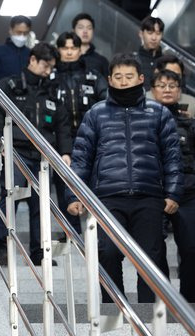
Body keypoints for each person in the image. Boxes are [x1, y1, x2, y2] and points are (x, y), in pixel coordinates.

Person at [67, 53, 183, 303]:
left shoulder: (159, 113)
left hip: (148, 195)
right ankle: (113, 310)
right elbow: (81, 158)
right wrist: (74, 195)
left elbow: (173, 156)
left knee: (151, 257)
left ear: (141, 78)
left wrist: (173, 192)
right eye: (117, 77)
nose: (123, 82)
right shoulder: (96, 114)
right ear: (109, 79)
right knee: (106, 253)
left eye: (129, 77)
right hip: (107, 197)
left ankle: (150, 315)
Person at [0, 42, 73, 266]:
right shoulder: (10, 85)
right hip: (14, 151)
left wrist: (65, 152)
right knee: (10, 196)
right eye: (45, 65)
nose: (48, 70)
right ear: (32, 60)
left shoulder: (51, 91)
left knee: (40, 203)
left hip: (43, 154)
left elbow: (62, 124)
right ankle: (3, 245)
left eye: (51, 67)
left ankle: (39, 250)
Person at [52, 31, 107, 234]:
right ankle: (71, 232)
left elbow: (106, 98)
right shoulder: (51, 76)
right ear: (58, 50)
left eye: (73, 48)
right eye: (65, 48)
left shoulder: (92, 75)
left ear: (79, 50)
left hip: (91, 135)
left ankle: (101, 229)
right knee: (63, 183)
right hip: (60, 138)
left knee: (96, 180)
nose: (69, 52)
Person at [150, 69, 195, 302]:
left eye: (172, 86)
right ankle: (163, 299)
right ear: (152, 90)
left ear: (180, 91)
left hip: (188, 194)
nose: (167, 90)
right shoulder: (144, 122)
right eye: (162, 85)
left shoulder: (190, 124)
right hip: (153, 192)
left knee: (190, 249)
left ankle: (188, 301)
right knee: (155, 251)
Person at [0, 15, 31, 83]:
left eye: (25, 33)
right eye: (19, 32)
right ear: (11, 30)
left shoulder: (31, 54)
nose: (22, 36)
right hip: (0, 92)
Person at [72, 13, 109, 77]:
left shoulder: (101, 61)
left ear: (93, 31)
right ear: (73, 31)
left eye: (89, 28)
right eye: (81, 27)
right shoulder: (66, 55)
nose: (85, 31)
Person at [135, 16, 165, 89]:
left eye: (158, 33)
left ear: (162, 35)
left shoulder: (167, 62)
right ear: (141, 34)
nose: (154, 38)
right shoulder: (133, 61)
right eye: (150, 33)